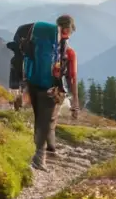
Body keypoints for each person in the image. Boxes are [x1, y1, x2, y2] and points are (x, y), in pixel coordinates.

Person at [28, 14, 79, 171]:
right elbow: (72, 78)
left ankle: (48, 148)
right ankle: (40, 158)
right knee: (48, 120)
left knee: (41, 118)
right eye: (71, 32)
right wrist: (75, 102)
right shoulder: (69, 53)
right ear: (67, 30)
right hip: (52, 89)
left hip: (34, 83)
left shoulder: (39, 42)